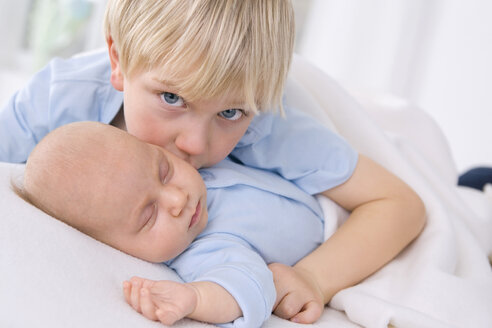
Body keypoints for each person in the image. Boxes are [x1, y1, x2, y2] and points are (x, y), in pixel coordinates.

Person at [0, 0, 426, 323]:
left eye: (229, 114)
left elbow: (398, 204)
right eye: (171, 98)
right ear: (116, 60)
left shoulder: (265, 125)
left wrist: (314, 278)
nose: (194, 143)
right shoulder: (58, 99)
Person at [15, 121, 326, 327]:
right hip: (332, 236)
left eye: (163, 171)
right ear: (117, 248)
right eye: (149, 215)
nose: (178, 200)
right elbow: (247, 284)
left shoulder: (202, 162)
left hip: (328, 195)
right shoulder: (204, 249)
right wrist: (196, 298)